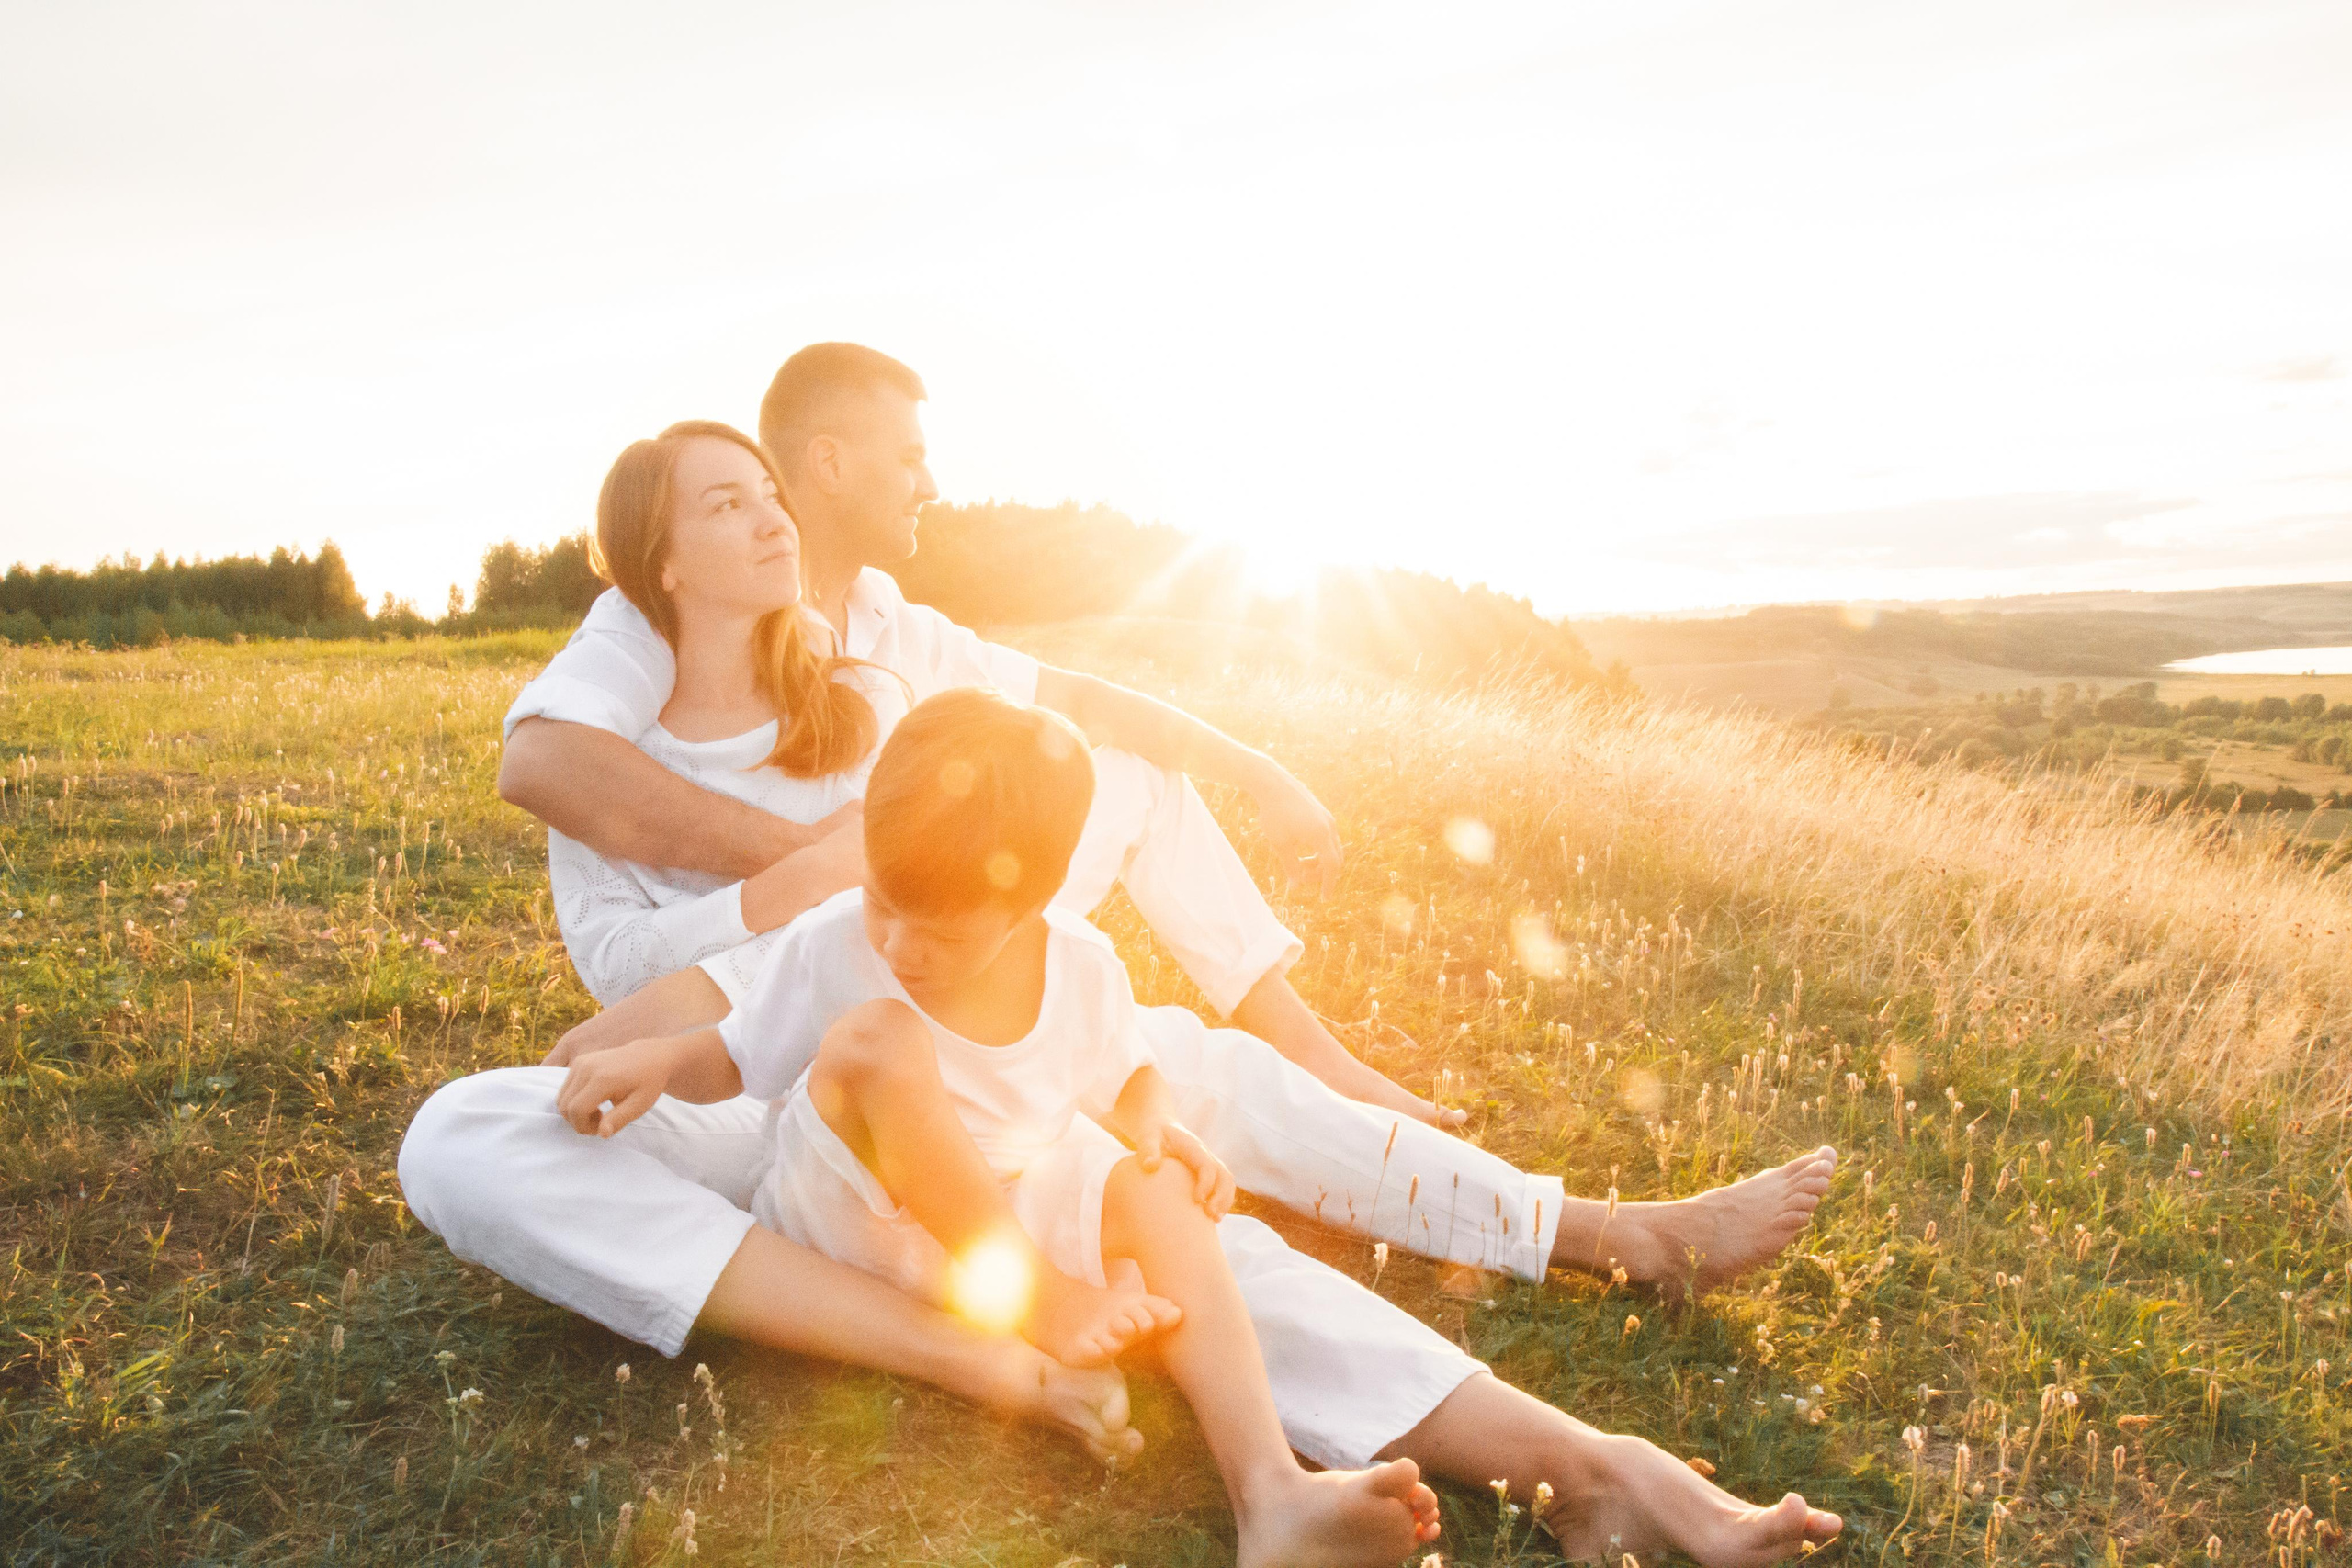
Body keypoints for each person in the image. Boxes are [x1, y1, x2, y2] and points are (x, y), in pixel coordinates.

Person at [400, 417, 1844, 1565]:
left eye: (769, 487)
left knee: (1175, 1189)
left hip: (990, 1042)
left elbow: (1071, 728)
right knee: (464, 1128)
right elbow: (639, 955)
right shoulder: (623, 670)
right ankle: (994, 1353)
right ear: (654, 558)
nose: (776, 514)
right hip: (791, 1055)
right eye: (726, 501)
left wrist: (1254, 783)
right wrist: (826, 880)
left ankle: (1577, 1430)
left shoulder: (878, 654)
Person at [556, 689, 1447, 1566]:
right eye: (884, 905)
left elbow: (1127, 1074)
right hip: (841, 1217)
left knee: (1160, 1184)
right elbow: (738, 1057)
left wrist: (1157, 1129)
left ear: (1032, 907)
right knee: (879, 1032)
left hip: (989, 1218)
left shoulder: (1084, 970)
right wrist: (663, 1063)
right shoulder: (835, 942)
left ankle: (1272, 1495)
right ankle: (1045, 1303)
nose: (900, 948)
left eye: (938, 934)